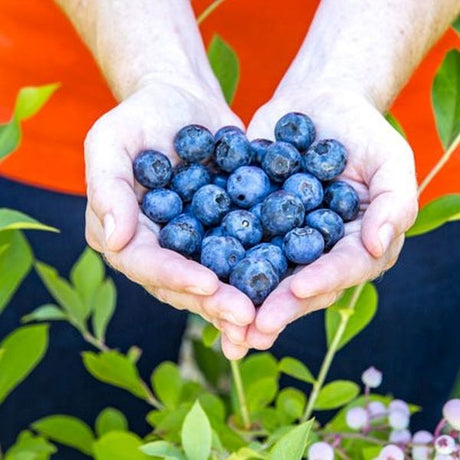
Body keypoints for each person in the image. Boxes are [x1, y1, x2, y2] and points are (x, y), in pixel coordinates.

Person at [0, 0, 459, 447]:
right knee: (63, 403)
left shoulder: (312, 190)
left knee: (358, 419)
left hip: (388, 107)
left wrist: (348, 78)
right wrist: (159, 71)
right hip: (68, 103)